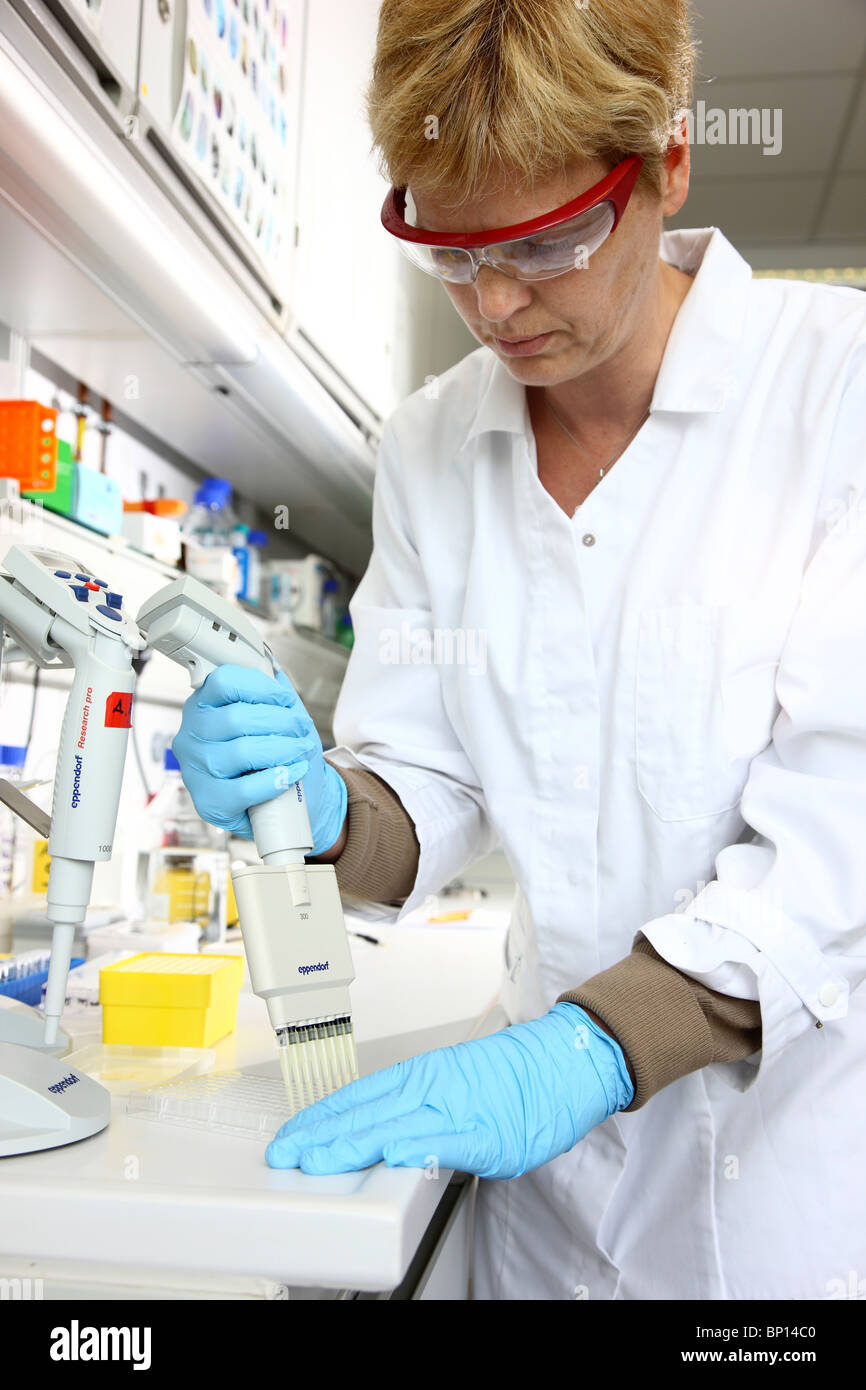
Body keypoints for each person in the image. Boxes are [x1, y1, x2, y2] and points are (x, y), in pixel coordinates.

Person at [172, 0, 866, 1299]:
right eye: (450, 248)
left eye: (546, 241)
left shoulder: (836, 397)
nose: (493, 303)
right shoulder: (434, 444)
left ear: (665, 165)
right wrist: (324, 804)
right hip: (540, 1221)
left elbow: (839, 844)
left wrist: (587, 1053)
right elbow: (420, 793)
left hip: (778, 1208)